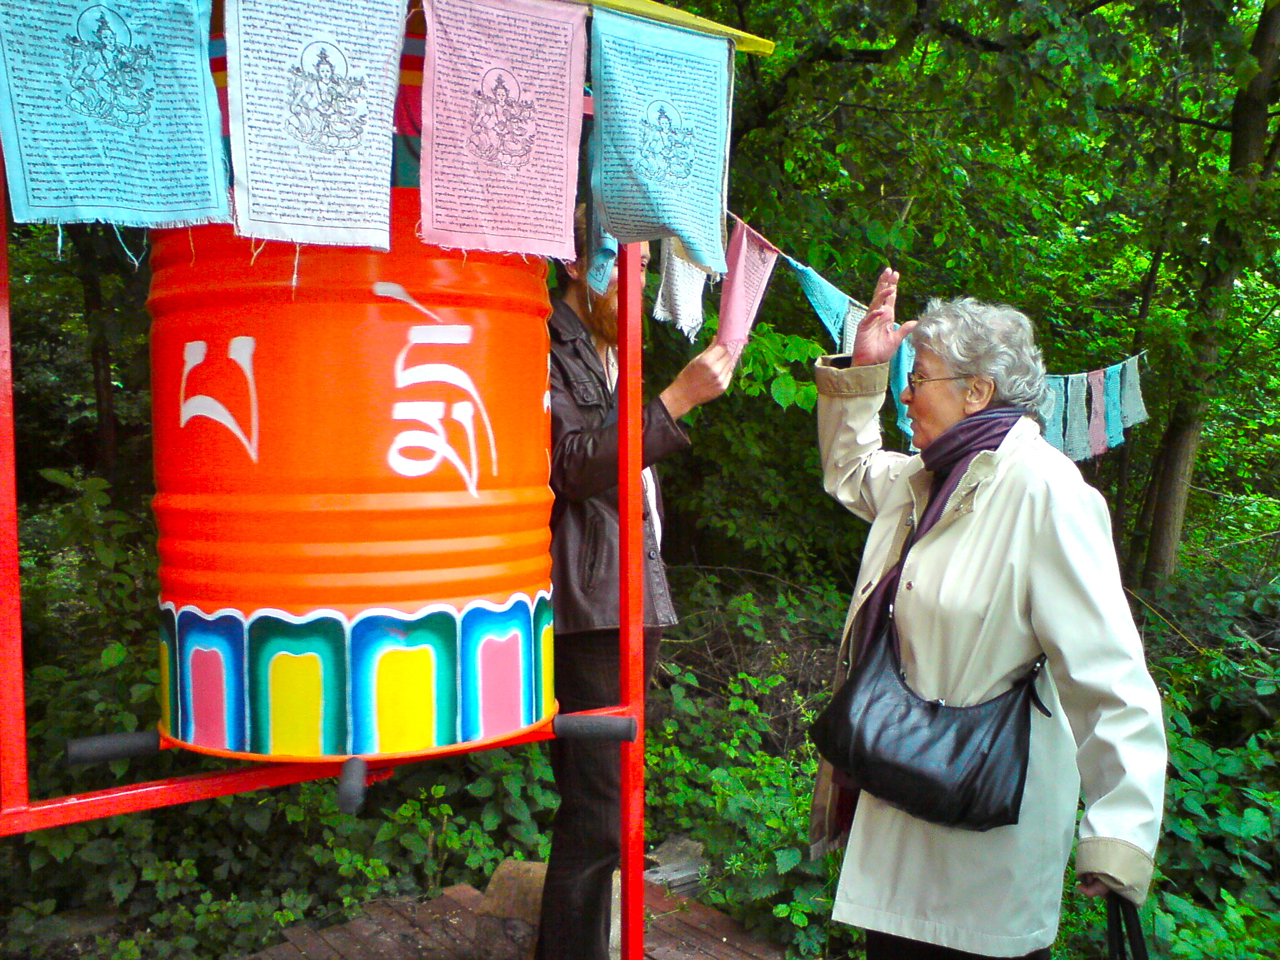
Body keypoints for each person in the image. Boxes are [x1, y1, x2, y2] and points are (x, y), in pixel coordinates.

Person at [809, 268, 1167, 959]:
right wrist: (866, 371)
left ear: (979, 392)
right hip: (897, 807)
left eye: (920, 379)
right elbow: (850, 471)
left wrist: (1119, 834)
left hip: (982, 845)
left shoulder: (1047, 494)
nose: (906, 395)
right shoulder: (926, 479)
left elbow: (1110, 676)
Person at [536, 220, 737, 960]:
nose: (639, 283)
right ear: (576, 263)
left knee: (615, 805)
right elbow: (573, 465)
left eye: (646, 268)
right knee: (595, 809)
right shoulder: (544, 340)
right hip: (588, 605)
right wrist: (673, 403)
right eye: (627, 266)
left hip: (628, 594)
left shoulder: (609, 343)